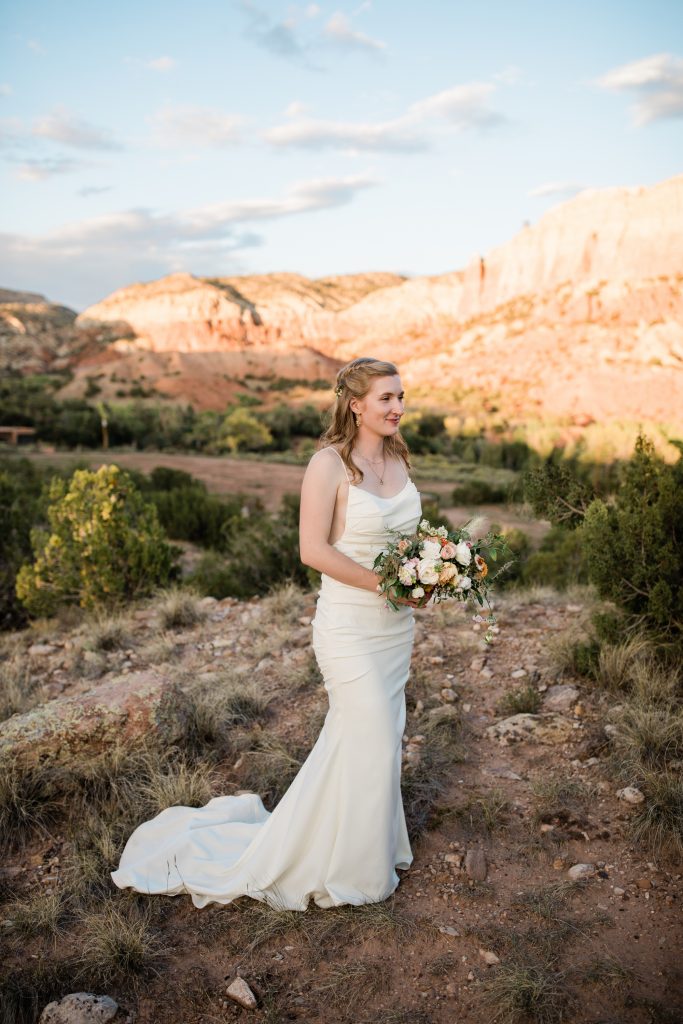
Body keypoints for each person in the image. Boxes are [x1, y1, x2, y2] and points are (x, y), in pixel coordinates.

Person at [110, 356, 423, 911]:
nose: (398, 408)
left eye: (401, 397)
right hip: (350, 627)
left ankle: (368, 848)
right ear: (356, 404)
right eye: (386, 399)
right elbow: (313, 550)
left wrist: (433, 570)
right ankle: (345, 869)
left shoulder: (398, 456)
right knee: (370, 728)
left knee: (372, 741)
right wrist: (387, 585)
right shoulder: (328, 464)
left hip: (395, 630)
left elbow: (405, 537)